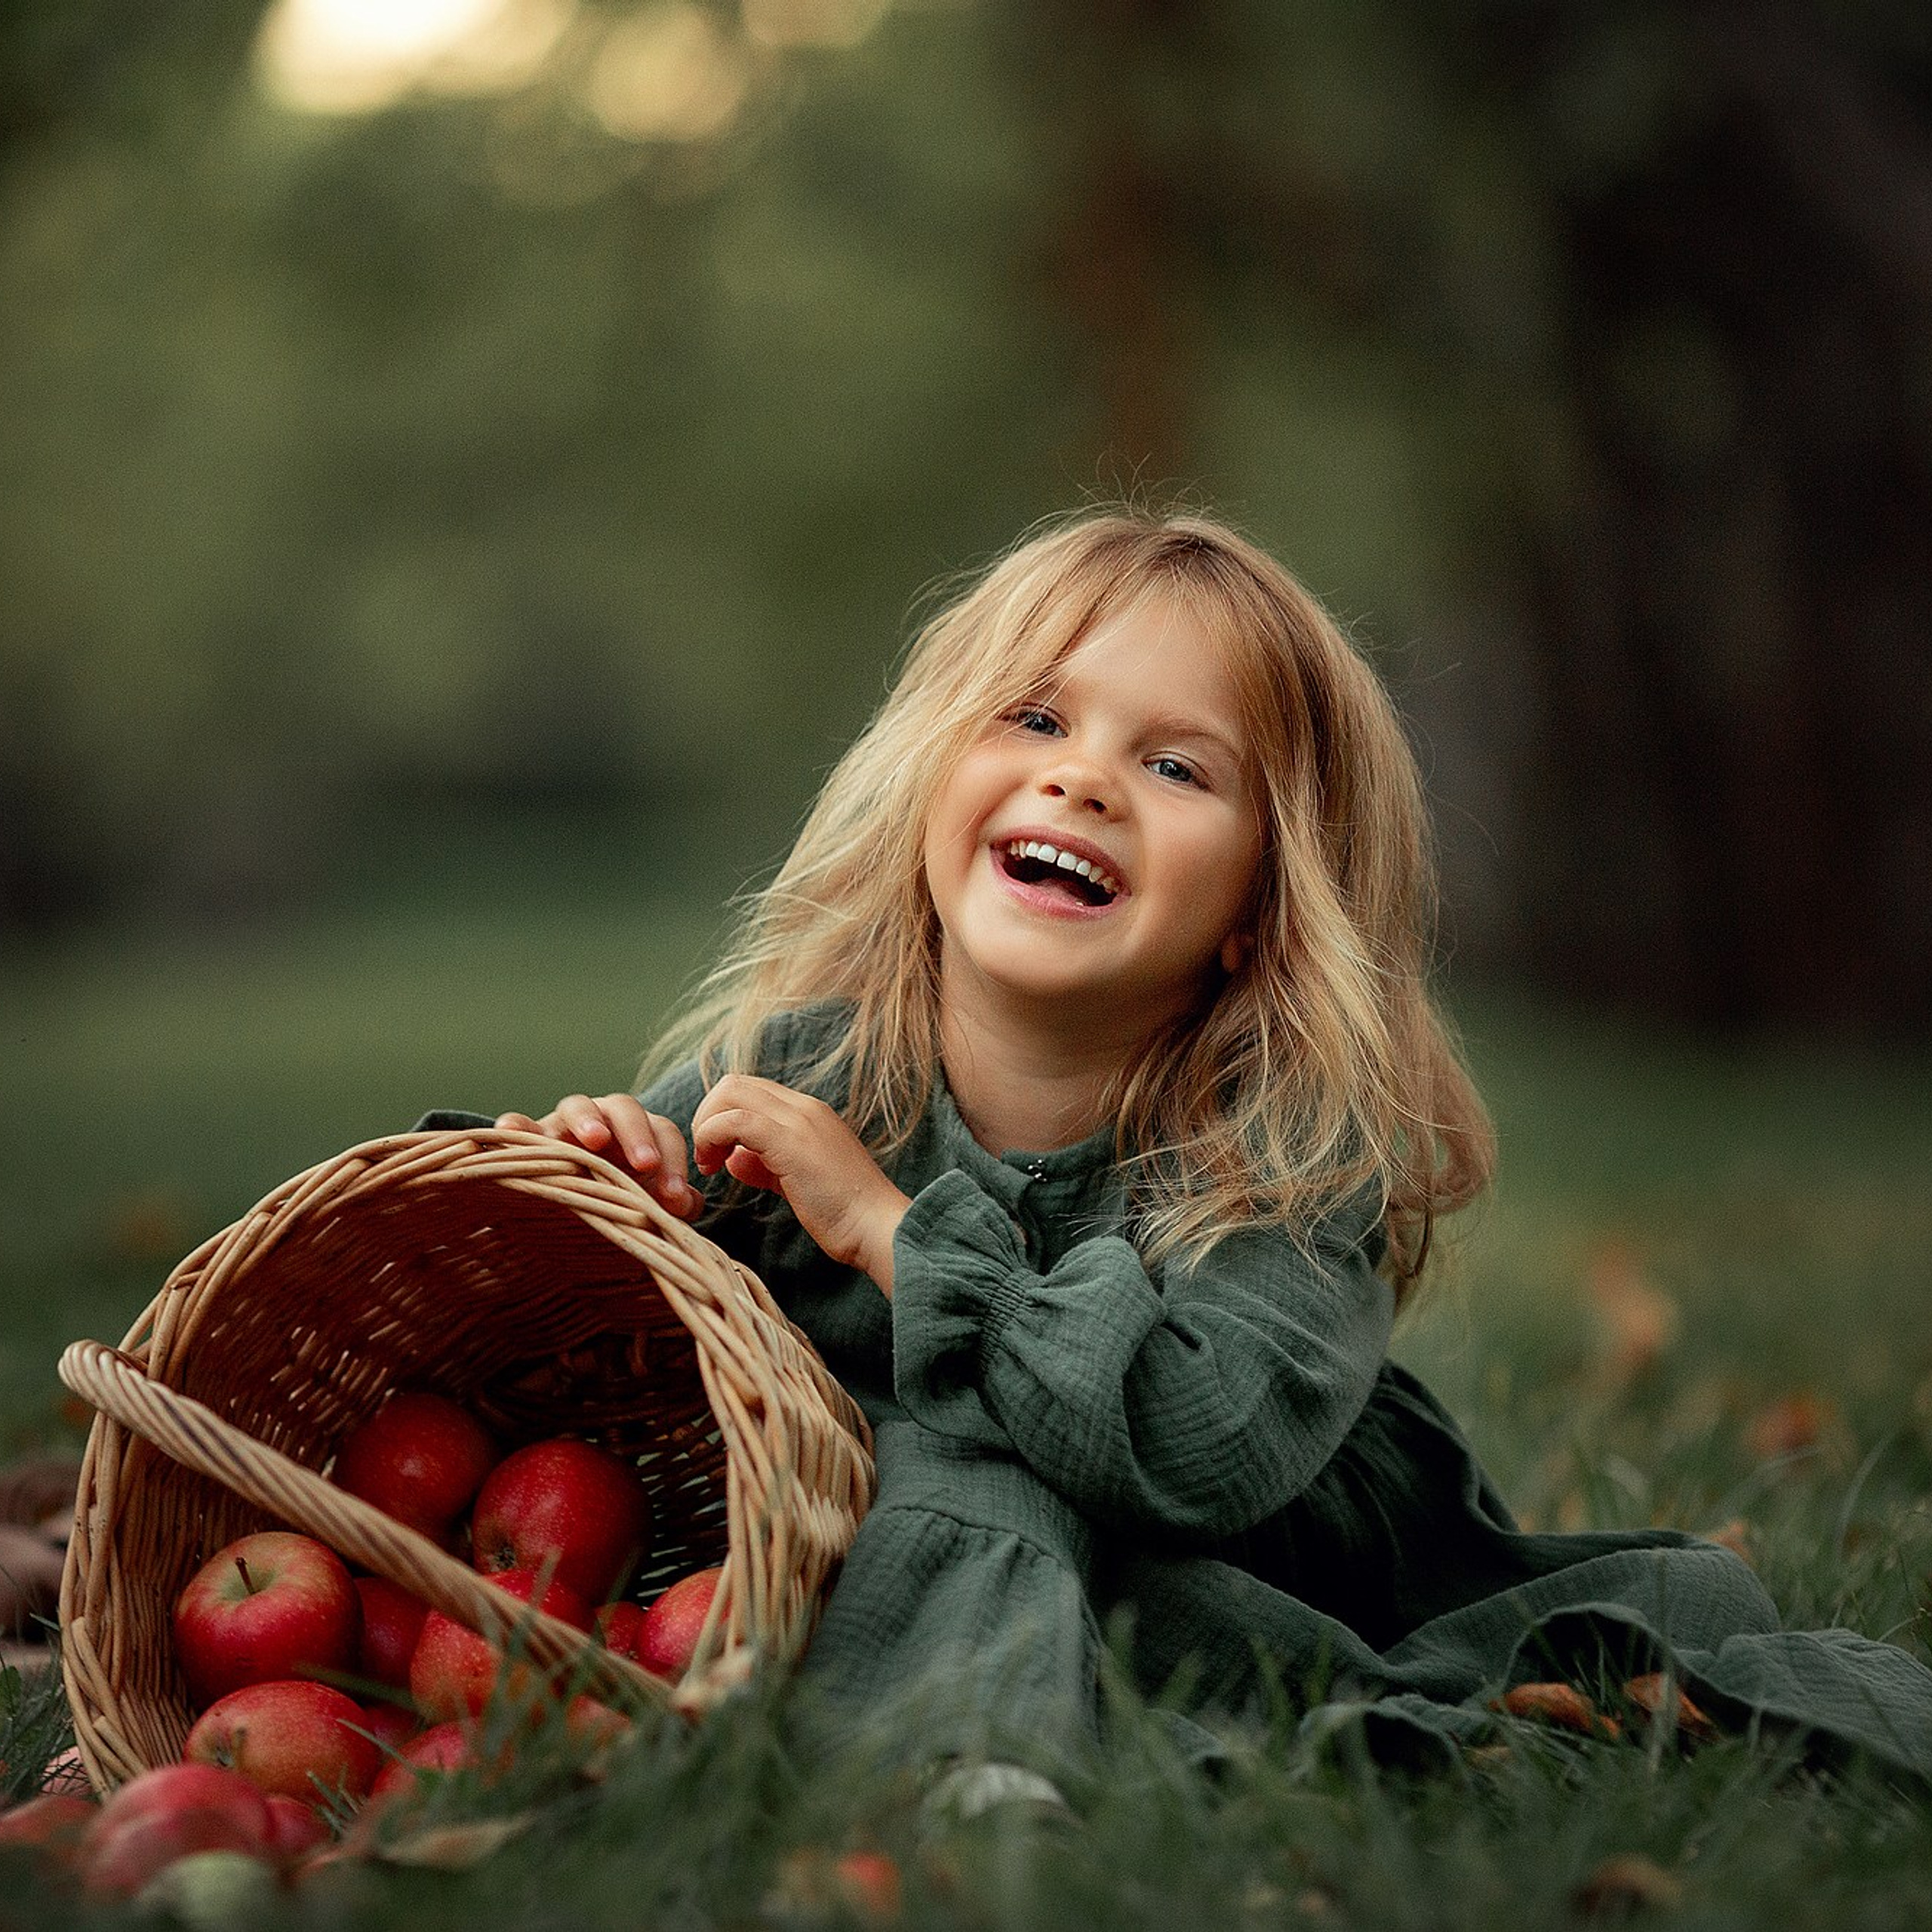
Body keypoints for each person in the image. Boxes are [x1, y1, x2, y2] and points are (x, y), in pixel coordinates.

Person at [431, 508, 1932, 1798]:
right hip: (867, 1548)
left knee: (979, 1477)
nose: (1080, 778)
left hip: (1220, 1566)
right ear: (928, 780)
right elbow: (610, 1349)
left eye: (1175, 766)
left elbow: (1193, 1441)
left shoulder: (1282, 1161)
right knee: (942, 1482)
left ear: (1255, 909)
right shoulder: (801, 1072)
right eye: (1034, 718)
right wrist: (608, 1176)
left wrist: (893, 1233)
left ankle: (973, 1780)